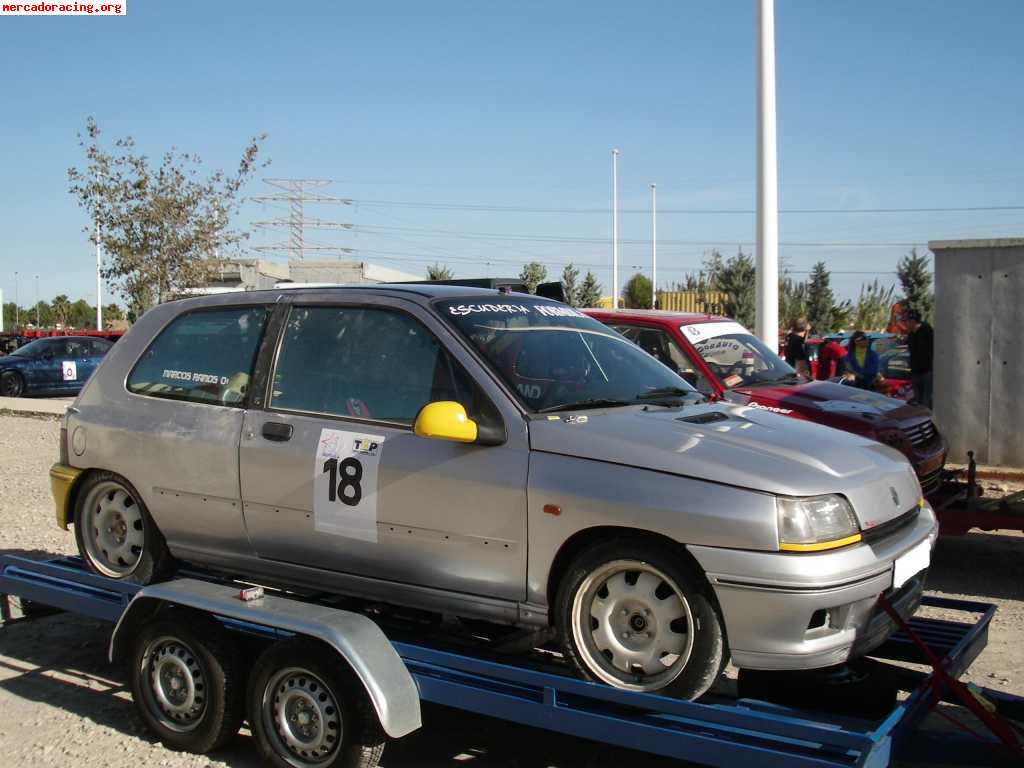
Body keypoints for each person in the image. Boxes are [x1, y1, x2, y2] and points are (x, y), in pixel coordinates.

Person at [906, 309, 934, 409]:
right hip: (915, 372)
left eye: (907, 322)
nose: (906, 324)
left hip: (927, 372)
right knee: (917, 402)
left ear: (912, 321)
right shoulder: (911, 334)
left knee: (926, 402)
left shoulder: (927, 331)